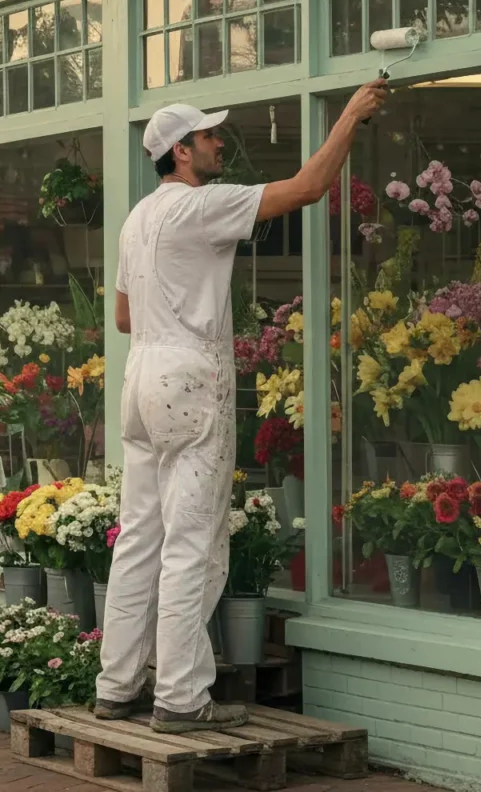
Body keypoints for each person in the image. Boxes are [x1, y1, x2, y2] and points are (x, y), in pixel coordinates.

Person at [95, 80, 388, 734]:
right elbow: (308, 187)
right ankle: (179, 698)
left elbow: (121, 316)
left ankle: (115, 685)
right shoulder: (199, 207)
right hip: (189, 377)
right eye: (208, 136)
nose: (219, 142)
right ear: (179, 151)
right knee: (192, 543)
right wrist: (351, 115)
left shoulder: (137, 218)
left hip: (141, 374)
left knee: (139, 539)